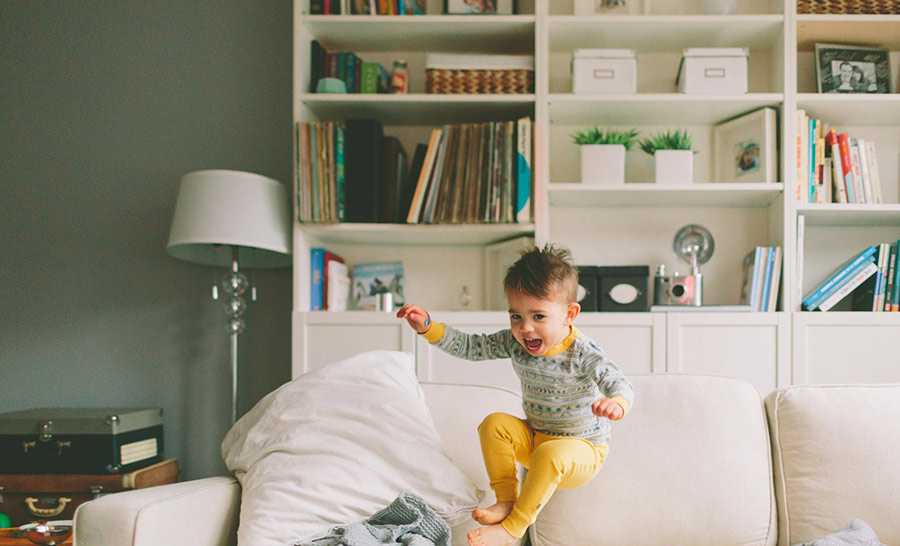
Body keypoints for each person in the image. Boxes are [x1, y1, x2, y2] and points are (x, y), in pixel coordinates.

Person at [397, 244, 634, 546]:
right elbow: (471, 346)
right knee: (493, 423)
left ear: (569, 314)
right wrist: (428, 327)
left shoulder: (583, 352)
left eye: (538, 316)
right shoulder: (514, 342)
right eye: (515, 316)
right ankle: (506, 500)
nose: (525, 328)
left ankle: (513, 528)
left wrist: (617, 403)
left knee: (551, 454)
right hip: (536, 439)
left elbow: (619, 382)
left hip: (582, 450)